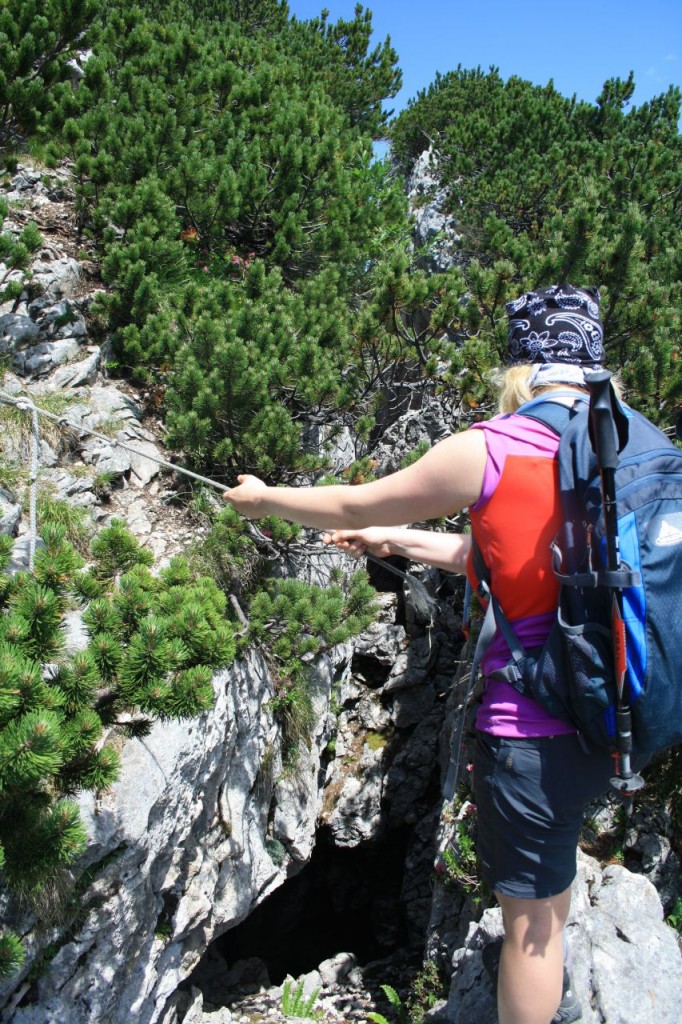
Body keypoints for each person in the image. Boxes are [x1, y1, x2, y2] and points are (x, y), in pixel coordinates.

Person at [223, 284, 615, 1024]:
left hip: (533, 722)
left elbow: (354, 501)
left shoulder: (498, 444)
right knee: (549, 891)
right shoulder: (631, 448)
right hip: (616, 710)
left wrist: (267, 498)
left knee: (528, 931)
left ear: (522, 366)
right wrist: (396, 543)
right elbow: (513, 558)